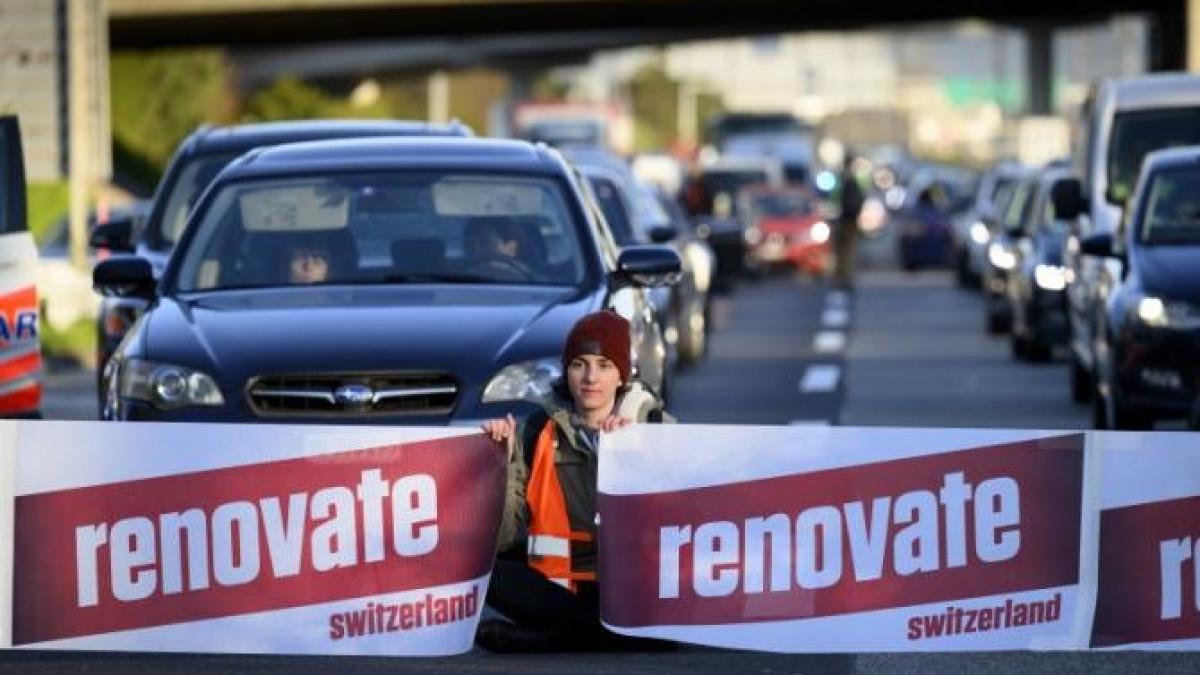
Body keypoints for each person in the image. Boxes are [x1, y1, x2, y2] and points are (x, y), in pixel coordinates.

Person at [476, 310, 672, 653]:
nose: (591, 377)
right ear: (566, 371)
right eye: (579, 363)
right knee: (488, 574)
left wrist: (632, 453)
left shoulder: (656, 428)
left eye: (604, 365)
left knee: (666, 600)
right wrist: (501, 467)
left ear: (622, 375)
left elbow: (685, 525)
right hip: (561, 584)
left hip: (634, 583)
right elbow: (507, 538)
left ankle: (550, 640)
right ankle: (602, 634)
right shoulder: (536, 430)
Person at [833, 152, 864, 290]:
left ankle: (844, 279)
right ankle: (843, 278)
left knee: (845, 252)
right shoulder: (849, 180)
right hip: (848, 220)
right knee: (845, 252)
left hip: (847, 221)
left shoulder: (846, 180)